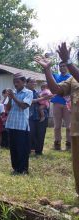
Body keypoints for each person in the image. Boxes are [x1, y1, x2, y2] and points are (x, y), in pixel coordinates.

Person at [35, 42, 79, 196]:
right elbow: (56, 90)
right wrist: (47, 70)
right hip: (77, 129)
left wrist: (68, 62)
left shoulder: (74, 74)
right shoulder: (73, 79)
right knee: (77, 166)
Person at [5, 73, 33, 175]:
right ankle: (16, 168)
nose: (15, 84)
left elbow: (24, 106)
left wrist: (14, 97)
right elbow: (7, 109)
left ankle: (23, 169)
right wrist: (10, 98)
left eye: (18, 82)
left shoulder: (28, 93)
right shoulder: (12, 93)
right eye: (14, 82)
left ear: (24, 82)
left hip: (22, 125)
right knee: (13, 148)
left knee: (22, 148)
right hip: (12, 124)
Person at [50, 61, 72, 150]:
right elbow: (48, 72)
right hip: (57, 103)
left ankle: (69, 144)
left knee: (68, 126)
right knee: (57, 126)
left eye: (64, 66)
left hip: (68, 104)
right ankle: (57, 144)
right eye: (60, 66)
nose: (62, 68)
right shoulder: (55, 76)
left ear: (67, 67)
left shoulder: (71, 77)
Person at [26, 78, 49, 156]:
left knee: (41, 134)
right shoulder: (25, 93)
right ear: (27, 83)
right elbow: (30, 101)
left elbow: (46, 102)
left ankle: (39, 151)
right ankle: (29, 150)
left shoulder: (38, 92)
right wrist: (44, 98)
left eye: (35, 82)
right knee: (30, 134)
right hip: (30, 116)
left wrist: (46, 100)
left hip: (40, 115)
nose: (33, 83)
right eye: (31, 82)